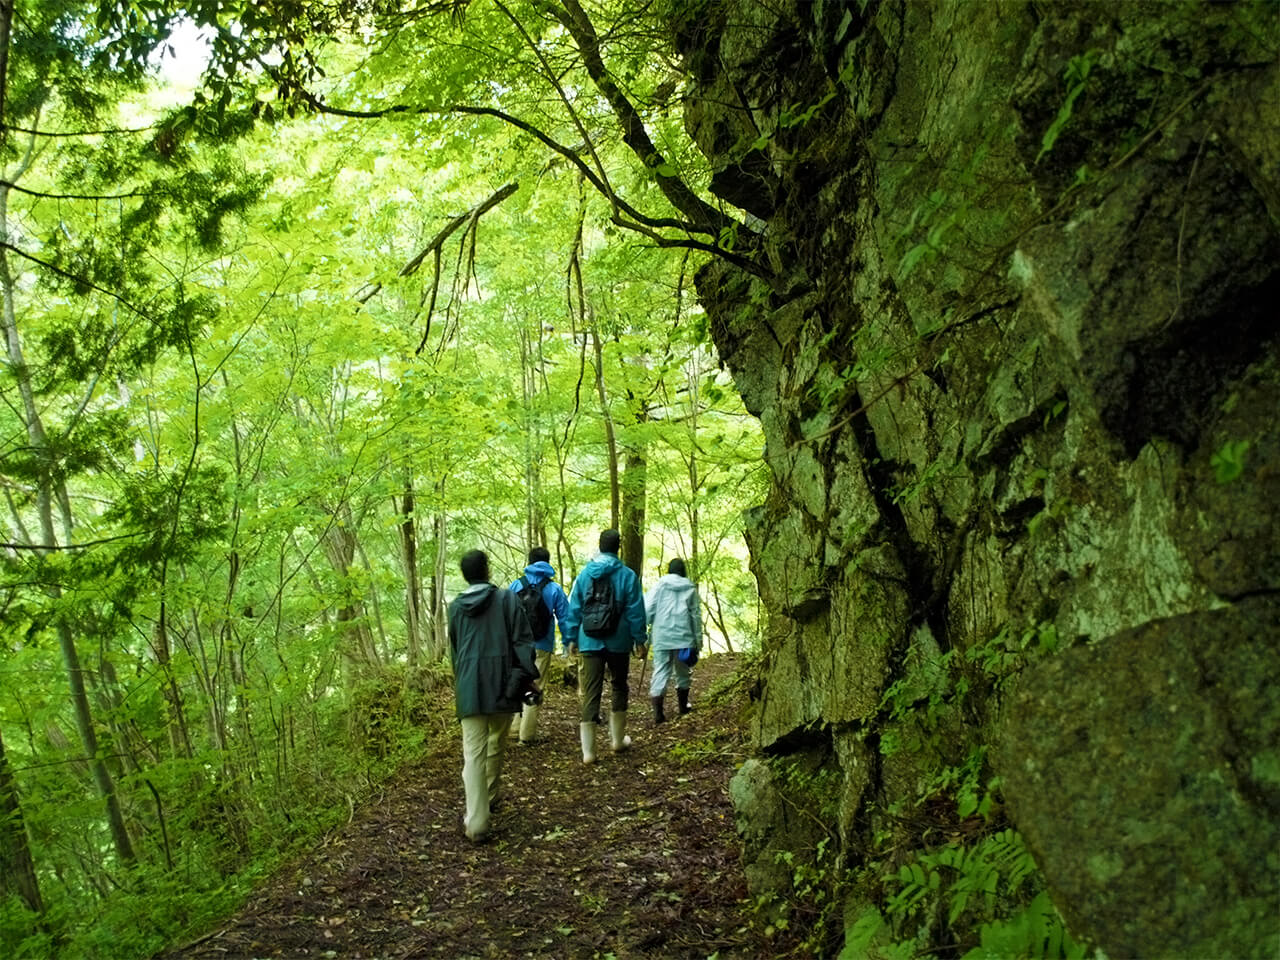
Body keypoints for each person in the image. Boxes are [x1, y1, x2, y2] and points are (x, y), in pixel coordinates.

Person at [447, 549, 539, 842]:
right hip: (502, 684)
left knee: (472, 755)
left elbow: (454, 651)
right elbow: (523, 641)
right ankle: (489, 798)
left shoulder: (455, 607)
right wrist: (525, 677)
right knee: (497, 742)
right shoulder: (507, 599)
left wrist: (460, 681)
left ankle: (476, 820)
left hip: (469, 687)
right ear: (487, 570)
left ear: (464, 575)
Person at [561, 529, 647, 763]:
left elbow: (574, 608)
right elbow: (636, 610)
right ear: (618, 547)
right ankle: (617, 741)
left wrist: (570, 638)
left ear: (599, 547)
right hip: (619, 640)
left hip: (589, 639)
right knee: (619, 686)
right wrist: (640, 640)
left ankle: (589, 752)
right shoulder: (628, 575)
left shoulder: (584, 574)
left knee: (591, 691)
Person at [508, 546, 570, 745]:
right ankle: (526, 736)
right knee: (536, 686)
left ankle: (513, 728)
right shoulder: (554, 589)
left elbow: (505, 616)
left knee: (516, 682)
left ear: (530, 561)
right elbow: (565, 618)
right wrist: (569, 642)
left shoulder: (516, 586)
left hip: (517, 645)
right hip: (542, 644)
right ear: (548, 562)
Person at [645, 558, 703, 724]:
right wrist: (698, 641)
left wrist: (643, 630)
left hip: (662, 636)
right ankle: (683, 707)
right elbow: (695, 617)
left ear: (669, 571)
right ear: (683, 571)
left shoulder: (659, 586)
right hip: (684, 637)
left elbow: (648, 609)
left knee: (661, 670)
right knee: (683, 672)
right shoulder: (690, 588)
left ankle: (658, 713)